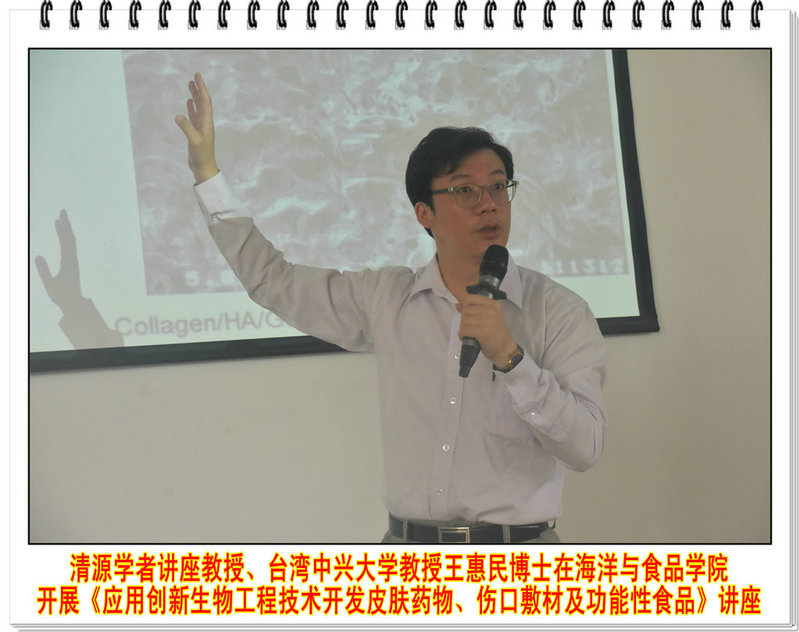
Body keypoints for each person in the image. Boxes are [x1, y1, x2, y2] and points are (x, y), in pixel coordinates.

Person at [175, 72, 607, 543]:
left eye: (499, 187)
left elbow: (584, 448)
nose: (489, 205)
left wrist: (511, 358)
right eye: (465, 190)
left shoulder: (558, 311)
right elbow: (272, 280)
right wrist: (208, 176)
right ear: (425, 213)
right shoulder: (387, 298)